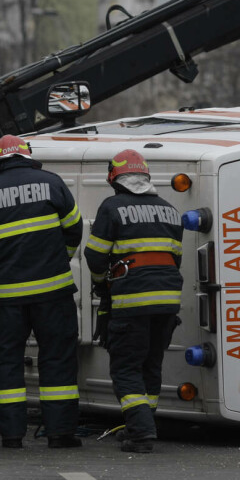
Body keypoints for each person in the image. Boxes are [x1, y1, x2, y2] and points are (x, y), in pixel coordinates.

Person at [0, 134, 83, 449]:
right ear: (26, 156)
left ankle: (12, 435)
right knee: (57, 358)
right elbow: (74, 228)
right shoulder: (52, 183)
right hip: (54, 294)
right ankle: (60, 434)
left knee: (7, 361)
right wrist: (60, 260)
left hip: (7, 298)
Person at [84, 149, 183, 453]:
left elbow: (95, 256)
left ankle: (140, 432)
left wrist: (102, 288)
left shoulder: (112, 207)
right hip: (167, 302)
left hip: (131, 302)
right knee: (151, 365)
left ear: (114, 178)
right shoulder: (169, 208)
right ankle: (144, 424)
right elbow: (175, 259)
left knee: (126, 368)